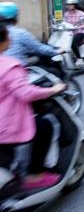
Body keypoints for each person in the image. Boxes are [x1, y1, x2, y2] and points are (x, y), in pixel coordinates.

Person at [0, 16, 68, 190]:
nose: (11, 39)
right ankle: (34, 174)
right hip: (6, 123)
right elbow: (25, 92)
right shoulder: (9, 65)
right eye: (8, 36)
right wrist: (53, 90)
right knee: (44, 126)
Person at [0, 2, 65, 64]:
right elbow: (38, 48)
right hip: (16, 70)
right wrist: (56, 51)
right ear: (15, 17)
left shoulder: (5, 31)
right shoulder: (19, 33)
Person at [63, 0, 84, 66]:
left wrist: (80, 26)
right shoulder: (66, 14)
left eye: (70, 5)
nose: (68, 6)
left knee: (72, 42)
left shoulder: (80, 13)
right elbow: (64, 23)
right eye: (67, 4)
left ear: (74, 5)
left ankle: (79, 58)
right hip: (70, 33)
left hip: (80, 32)